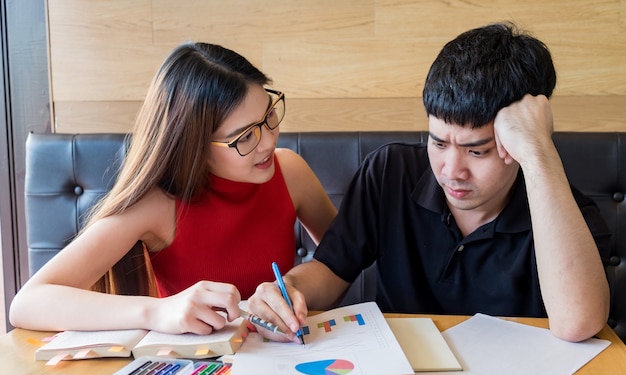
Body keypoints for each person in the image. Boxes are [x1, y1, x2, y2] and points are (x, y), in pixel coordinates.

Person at [249, 22, 611, 343]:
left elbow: (577, 323)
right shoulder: (391, 171)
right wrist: (289, 289)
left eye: (477, 151)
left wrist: (539, 152)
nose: (452, 171)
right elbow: (331, 269)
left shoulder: (563, 213)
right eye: (438, 143)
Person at [9, 42, 337, 335]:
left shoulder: (290, 171)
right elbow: (28, 303)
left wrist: (295, 288)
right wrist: (158, 311)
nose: (267, 142)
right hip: (194, 371)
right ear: (195, 144)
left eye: (269, 117)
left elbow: (343, 263)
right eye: (245, 137)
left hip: (282, 356)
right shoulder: (159, 205)